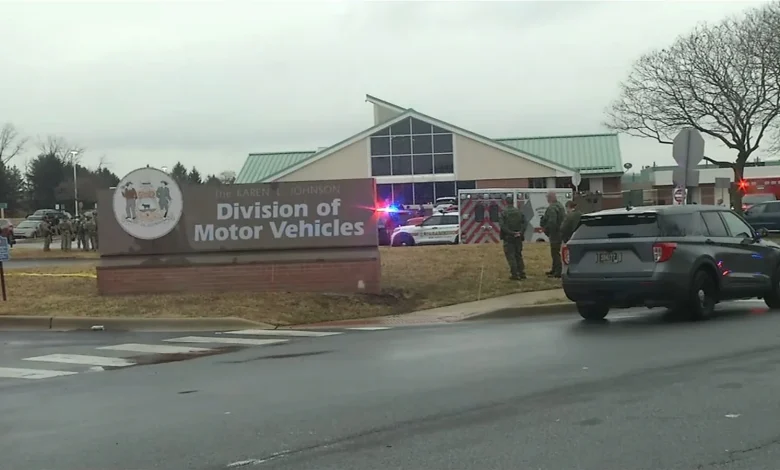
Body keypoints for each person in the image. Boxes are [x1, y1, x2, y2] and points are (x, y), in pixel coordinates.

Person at [498, 196, 528, 280]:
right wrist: (520, 232)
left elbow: (502, 226)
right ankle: (522, 273)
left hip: (508, 238)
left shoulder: (504, 213)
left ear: (506, 202)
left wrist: (511, 233)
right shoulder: (519, 212)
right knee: (518, 255)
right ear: (513, 202)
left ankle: (515, 274)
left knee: (511, 256)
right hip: (518, 238)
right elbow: (525, 223)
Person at [540, 192, 566, 278]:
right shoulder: (560, 206)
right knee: (557, 252)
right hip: (561, 232)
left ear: (550, 198)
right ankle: (554, 269)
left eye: (547, 197)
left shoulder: (552, 208)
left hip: (555, 233)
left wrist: (546, 230)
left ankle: (557, 272)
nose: (547, 199)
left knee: (555, 253)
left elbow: (552, 222)